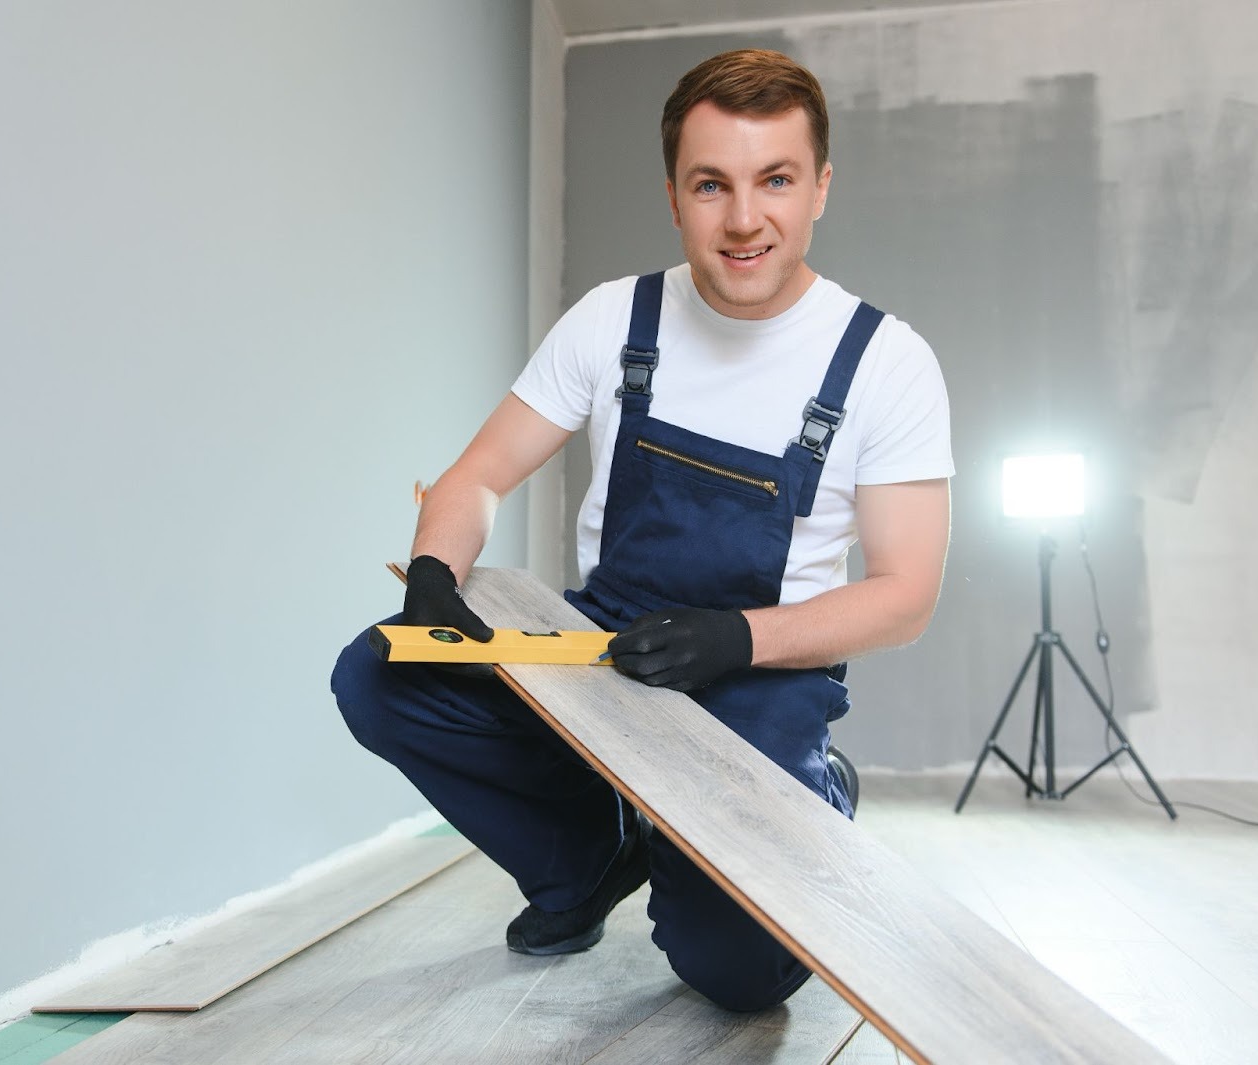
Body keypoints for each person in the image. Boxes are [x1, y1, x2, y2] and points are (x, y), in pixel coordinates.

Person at [331, 48, 951, 1012]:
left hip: (761, 677)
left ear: (820, 185)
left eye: (775, 181)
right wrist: (432, 576)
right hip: (606, 650)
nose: (744, 220)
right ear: (674, 194)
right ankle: (588, 858)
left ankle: (815, 794)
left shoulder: (885, 362)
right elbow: (475, 477)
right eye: (712, 185)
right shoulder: (616, 320)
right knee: (377, 673)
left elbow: (904, 594)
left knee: (736, 975)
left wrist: (736, 636)